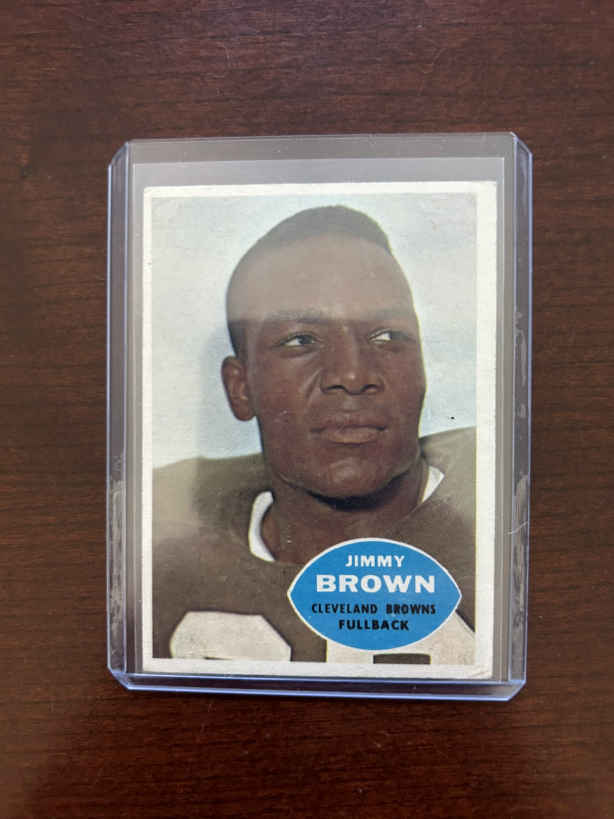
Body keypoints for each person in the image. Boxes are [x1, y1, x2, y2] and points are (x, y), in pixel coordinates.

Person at [152, 206, 475, 665]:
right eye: (301, 340)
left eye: (387, 336)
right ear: (240, 389)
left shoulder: (506, 510)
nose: (352, 374)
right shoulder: (156, 535)